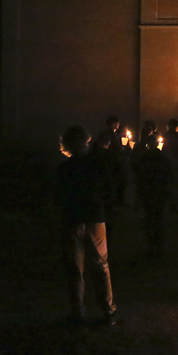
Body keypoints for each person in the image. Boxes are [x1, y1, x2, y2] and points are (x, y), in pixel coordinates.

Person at [55, 125, 117, 327]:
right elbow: (109, 190)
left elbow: (58, 197)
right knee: (100, 265)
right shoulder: (97, 164)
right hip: (95, 218)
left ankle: (78, 313)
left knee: (75, 268)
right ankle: (108, 311)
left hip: (73, 220)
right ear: (86, 141)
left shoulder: (65, 168)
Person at [134, 134, 174, 259]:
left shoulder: (144, 158)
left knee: (149, 219)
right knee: (159, 219)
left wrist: (139, 194)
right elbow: (170, 176)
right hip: (160, 192)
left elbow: (139, 177)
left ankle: (151, 246)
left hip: (148, 192)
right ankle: (159, 247)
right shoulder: (164, 158)